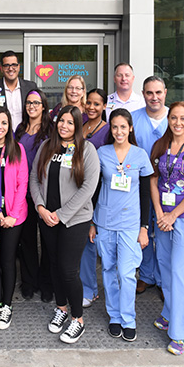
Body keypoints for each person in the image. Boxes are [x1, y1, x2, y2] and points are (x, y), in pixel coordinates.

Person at [30, 105, 99, 344]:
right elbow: (34, 177)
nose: (64, 126)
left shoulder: (87, 150)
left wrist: (61, 214)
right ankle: (61, 309)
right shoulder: (46, 146)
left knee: (69, 270)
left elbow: (89, 187)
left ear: (77, 125)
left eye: (70, 122)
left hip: (74, 220)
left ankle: (77, 319)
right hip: (48, 218)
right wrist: (40, 207)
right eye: (61, 121)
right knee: (55, 266)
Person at [149, 102, 184, 355]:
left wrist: (173, 214)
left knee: (180, 273)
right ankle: (170, 312)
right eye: (174, 118)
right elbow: (153, 181)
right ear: (168, 119)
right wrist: (161, 213)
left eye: (183, 118)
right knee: (165, 268)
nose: (178, 123)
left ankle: (181, 333)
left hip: (183, 217)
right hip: (162, 217)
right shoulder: (160, 146)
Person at [92, 108, 154, 343]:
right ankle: (114, 317)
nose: (119, 131)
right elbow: (95, 189)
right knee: (108, 270)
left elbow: (146, 194)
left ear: (130, 128)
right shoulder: (102, 153)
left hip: (130, 224)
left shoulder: (140, 155)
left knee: (126, 274)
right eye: (114, 127)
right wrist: (91, 222)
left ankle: (129, 319)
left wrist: (144, 227)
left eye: (123, 126)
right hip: (105, 221)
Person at [0, 107, 28, 330]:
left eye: (3, 122)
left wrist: (11, 215)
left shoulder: (17, 149)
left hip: (14, 217)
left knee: (7, 260)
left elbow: (23, 185)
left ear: (9, 125)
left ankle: (7, 305)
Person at [130, 76, 169, 296]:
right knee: (143, 230)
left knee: (163, 235)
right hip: (140, 188)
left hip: (168, 189)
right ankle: (146, 275)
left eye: (158, 92)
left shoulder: (174, 118)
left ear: (165, 92)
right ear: (143, 94)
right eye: (149, 93)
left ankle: (164, 280)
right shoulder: (134, 119)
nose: (154, 97)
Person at [14, 89, 54, 302]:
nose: (32, 106)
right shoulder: (19, 130)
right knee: (27, 241)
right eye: (29, 102)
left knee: (47, 242)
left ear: (43, 106)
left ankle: (47, 283)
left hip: (46, 193)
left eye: (36, 103)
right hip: (23, 193)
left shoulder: (51, 130)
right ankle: (29, 281)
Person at [78, 87, 109, 308]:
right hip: (78, 190)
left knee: (93, 241)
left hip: (99, 191)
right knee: (83, 243)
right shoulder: (81, 126)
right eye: (89, 102)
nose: (91, 107)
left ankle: (91, 290)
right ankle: (85, 285)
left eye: (97, 104)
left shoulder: (107, 130)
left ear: (104, 106)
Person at [0, 51, 38, 129]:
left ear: (19, 67)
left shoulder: (30, 87)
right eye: (6, 65)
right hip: (1, 135)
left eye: (14, 65)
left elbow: (38, 111)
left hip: (25, 135)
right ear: (1, 68)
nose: (10, 69)